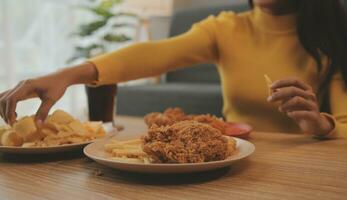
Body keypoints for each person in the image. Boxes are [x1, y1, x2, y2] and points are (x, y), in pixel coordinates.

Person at [0, 0, 346, 138]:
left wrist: (321, 124)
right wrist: (66, 75)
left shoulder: (333, 34)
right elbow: (153, 54)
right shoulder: (225, 28)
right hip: (234, 163)